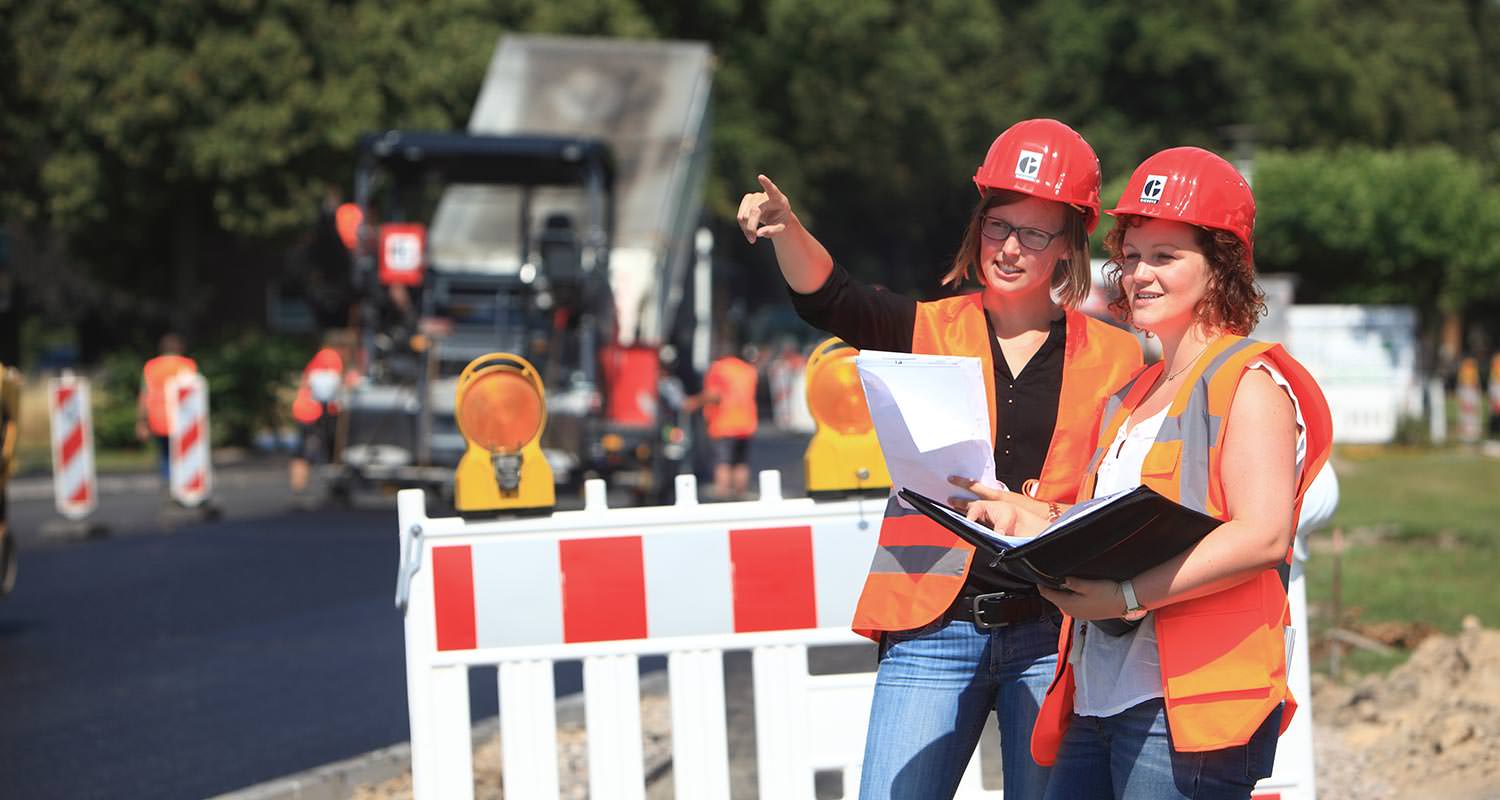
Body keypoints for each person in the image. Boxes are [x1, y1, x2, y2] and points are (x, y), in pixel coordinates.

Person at [738, 119, 1143, 800]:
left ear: (1068, 249)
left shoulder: (1116, 357)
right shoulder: (928, 329)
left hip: (1053, 632)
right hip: (932, 626)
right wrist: (787, 229)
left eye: (1035, 234)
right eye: (997, 226)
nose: (1010, 248)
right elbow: (831, 297)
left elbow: (1117, 498)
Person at [966, 147, 1334, 800]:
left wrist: (1129, 597)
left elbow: (1262, 535)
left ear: (1221, 267)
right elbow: (1119, 526)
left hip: (1186, 708)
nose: (1138, 274)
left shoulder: (1248, 382)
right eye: (1132, 255)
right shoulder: (1134, 395)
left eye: (1164, 256)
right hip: (1100, 696)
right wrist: (1028, 516)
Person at [695, 346, 760, 499]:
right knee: (741, 463)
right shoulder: (748, 370)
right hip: (746, 425)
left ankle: (722, 499)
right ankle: (740, 496)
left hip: (724, 424)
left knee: (722, 463)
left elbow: (714, 394)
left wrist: (693, 403)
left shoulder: (719, 369)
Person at [289, 337, 350, 496]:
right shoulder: (330, 356)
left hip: (307, 410)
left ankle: (300, 488)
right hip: (314, 412)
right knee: (309, 450)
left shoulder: (320, 357)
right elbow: (327, 385)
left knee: (305, 450)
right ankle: (301, 487)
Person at [136, 333, 198, 489]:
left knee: (165, 455)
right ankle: (184, 485)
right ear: (180, 348)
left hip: (158, 418)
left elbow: (144, 395)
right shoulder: (187, 365)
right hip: (183, 418)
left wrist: (141, 422)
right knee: (185, 454)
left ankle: (169, 485)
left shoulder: (151, 366)